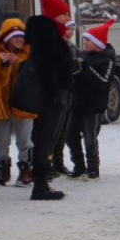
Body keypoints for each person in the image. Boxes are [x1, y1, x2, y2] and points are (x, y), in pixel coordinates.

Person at [24, 0, 75, 200]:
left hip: (53, 93)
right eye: (63, 14)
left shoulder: (51, 33)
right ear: (54, 15)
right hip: (50, 95)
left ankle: (42, 181)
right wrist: (53, 93)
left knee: (46, 138)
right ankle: (40, 184)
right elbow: (46, 67)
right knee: (45, 137)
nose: (66, 17)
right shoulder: (47, 34)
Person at [66, 19, 115, 180]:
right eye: (85, 40)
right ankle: (79, 166)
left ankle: (93, 168)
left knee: (89, 137)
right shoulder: (82, 55)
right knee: (70, 135)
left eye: (88, 40)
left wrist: (85, 69)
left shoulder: (107, 60)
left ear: (97, 43)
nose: (84, 43)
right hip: (77, 103)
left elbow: (103, 82)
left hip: (93, 106)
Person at [0, 18, 35, 188]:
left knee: (24, 140)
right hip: (3, 106)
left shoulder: (29, 52)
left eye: (21, 36)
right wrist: (1, 63)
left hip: (23, 105)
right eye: (15, 37)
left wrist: (15, 62)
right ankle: (4, 169)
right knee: (2, 141)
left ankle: (26, 171)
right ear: (6, 37)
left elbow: (32, 73)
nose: (19, 40)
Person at [49, 19, 78, 177]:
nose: (70, 33)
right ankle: (49, 161)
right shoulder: (57, 47)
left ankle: (58, 161)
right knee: (53, 129)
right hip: (58, 92)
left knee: (62, 129)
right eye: (68, 29)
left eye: (73, 30)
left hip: (68, 93)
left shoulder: (73, 47)